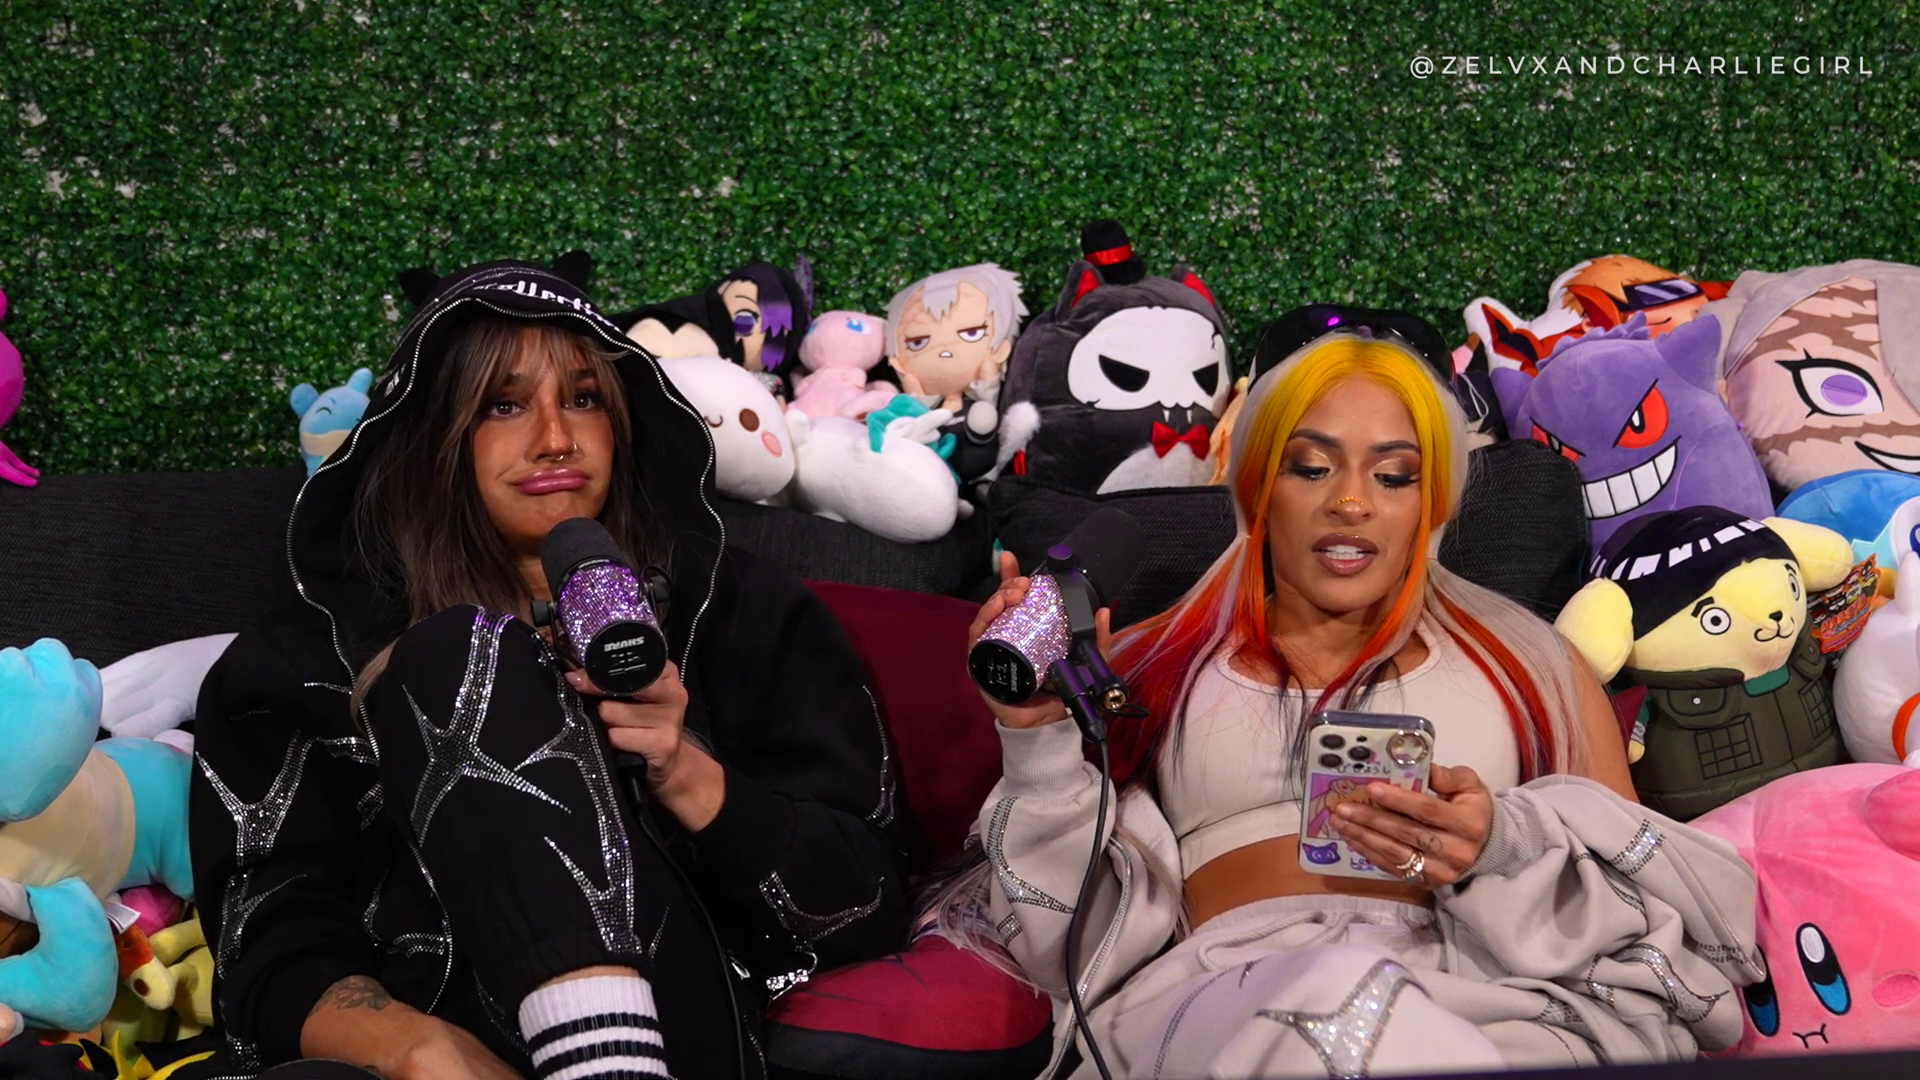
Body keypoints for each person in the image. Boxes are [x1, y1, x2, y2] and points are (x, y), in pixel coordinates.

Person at [957, 329, 1763, 1077]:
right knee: (1337, 995)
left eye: (1393, 475)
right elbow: (1060, 939)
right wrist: (1038, 741)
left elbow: (1646, 902)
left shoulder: (1534, 665)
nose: (1351, 501)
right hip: (1231, 1003)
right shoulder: (1146, 666)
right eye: (1312, 468)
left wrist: (1501, 847)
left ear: (1433, 502)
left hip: (1486, 995)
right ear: (1257, 489)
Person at [190, 259, 907, 1080]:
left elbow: (867, 908)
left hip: (683, 1038)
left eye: (584, 398)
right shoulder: (306, 656)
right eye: (503, 405)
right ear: (431, 436)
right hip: (432, 1056)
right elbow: (266, 948)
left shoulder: (734, 609)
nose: (556, 437)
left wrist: (685, 773)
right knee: (456, 653)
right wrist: (419, 1050)